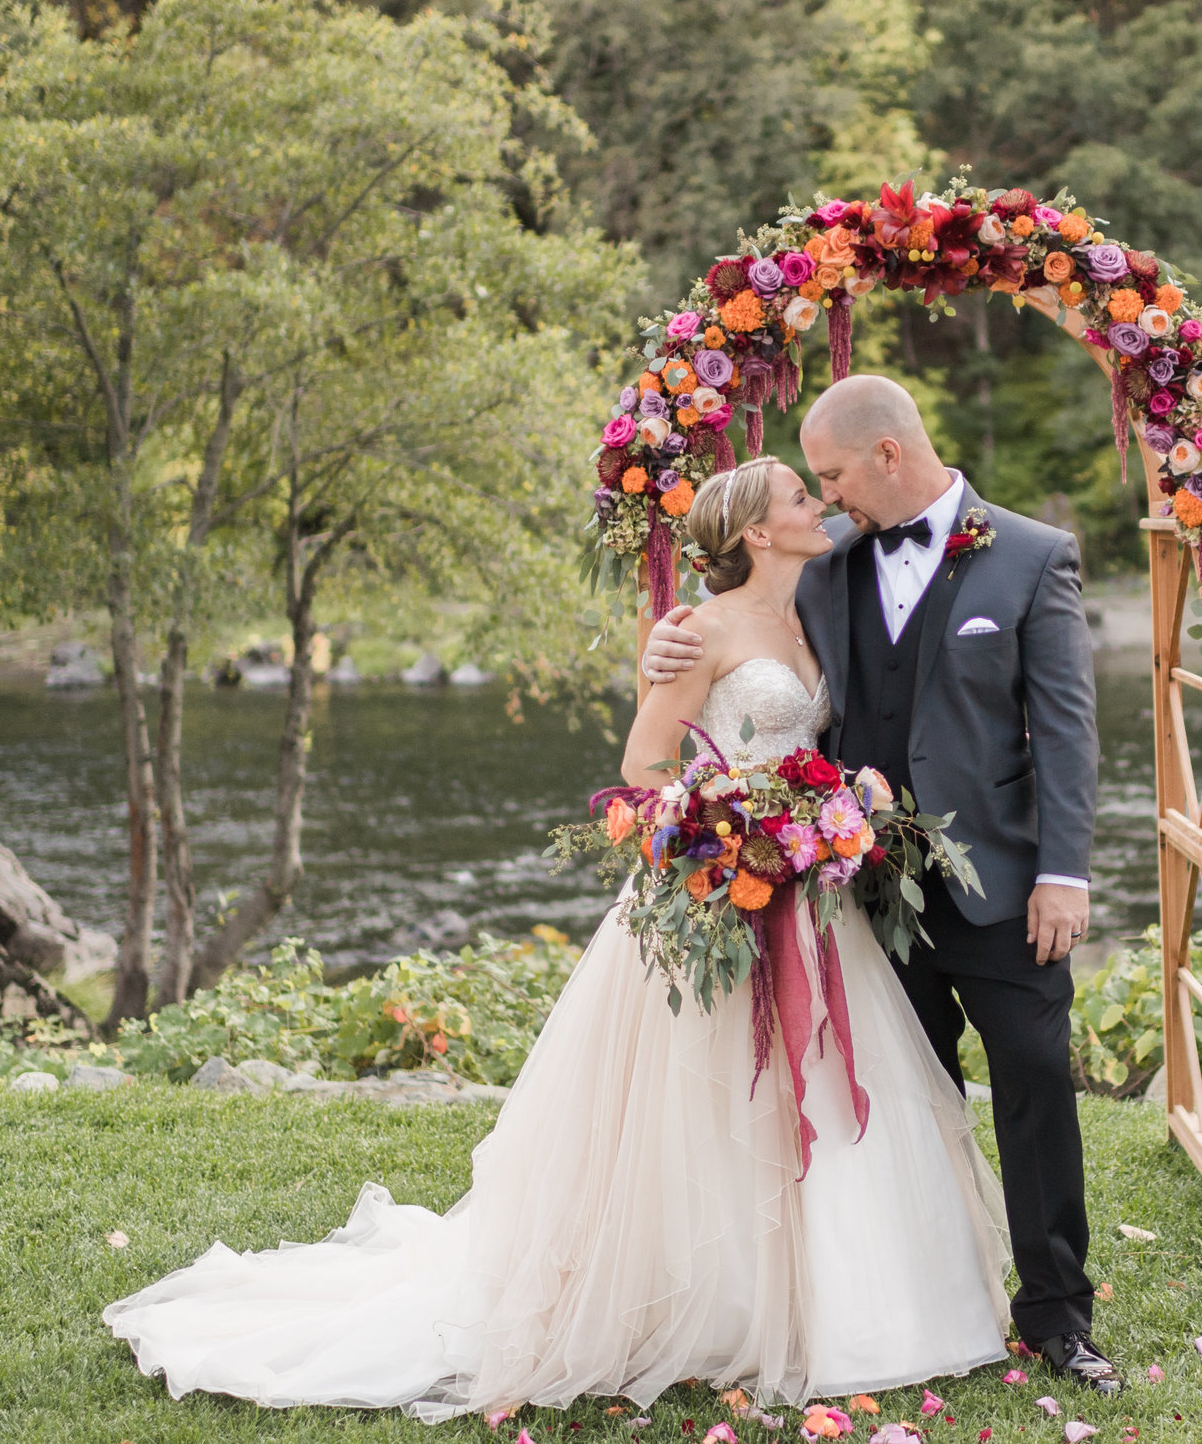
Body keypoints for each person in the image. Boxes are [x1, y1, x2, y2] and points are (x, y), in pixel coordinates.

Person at [104, 456, 1012, 1422]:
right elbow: (644, 761)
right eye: (800, 495)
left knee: (822, 1087)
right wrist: (739, 817)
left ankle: (854, 1304)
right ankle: (709, 1300)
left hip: (809, 894)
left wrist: (831, 807)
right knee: (700, 1106)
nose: (819, 503)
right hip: (717, 886)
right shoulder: (699, 630)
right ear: (756, 529)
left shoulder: (816, 606)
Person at [642, 375, 1119, 1397]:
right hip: (855, 900)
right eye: (810, 485)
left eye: (833, 475)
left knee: (1034, 1087)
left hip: (1000, 884)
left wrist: (1063, 872)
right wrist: (664, 648)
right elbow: (740, 650)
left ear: (888, 455)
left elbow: (1069, 732)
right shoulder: (829, 563)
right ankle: (924, 1297)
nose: (826, 496)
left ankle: (1058, 1315)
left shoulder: (1033, 556)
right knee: (903, 1106)